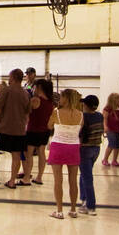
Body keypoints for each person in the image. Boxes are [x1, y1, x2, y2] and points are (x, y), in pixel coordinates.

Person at [46, 88, 84, 218]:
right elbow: (79, 129)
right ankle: (73, 209)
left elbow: (49, 126)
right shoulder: (80, 114)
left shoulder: (56, 112)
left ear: (66, 98)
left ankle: (59, 210)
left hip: (58, 146)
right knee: (73, 180)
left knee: (58, 180)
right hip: (73, 147)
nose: (59, 99)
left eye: (61, 97)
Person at [0, 68, 33, 188]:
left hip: (5, 128)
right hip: (20, 130)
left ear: (12, 77)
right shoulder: (25, 93)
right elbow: (28, 113)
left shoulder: (6, 90)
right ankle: (12, 181)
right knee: (16, 155)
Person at [25, 76, 55, 184]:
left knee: (29, 155)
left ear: (39, 88)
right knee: (41, 153)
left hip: (33, 130)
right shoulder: (50, 102)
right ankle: (39, 177)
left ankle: (27, 178)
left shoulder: (35, 100)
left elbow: (26, 112)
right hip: (45, 131)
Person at [79, 95, 104, 214]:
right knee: (84, 175)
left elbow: (80, 132)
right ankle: (83, 200)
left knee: (87, 178)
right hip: (96, 148)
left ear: (86, 106)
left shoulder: (83, 117)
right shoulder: (99, 116)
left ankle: (91, 205)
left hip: (85, 149)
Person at [101, 92, 119, 167]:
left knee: (117, 145)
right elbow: (105, 118)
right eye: (118, 99)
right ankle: (105, 159)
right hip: (111, 129)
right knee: (111, 144)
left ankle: (114, 160)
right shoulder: (107, 109)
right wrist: (105, 126)